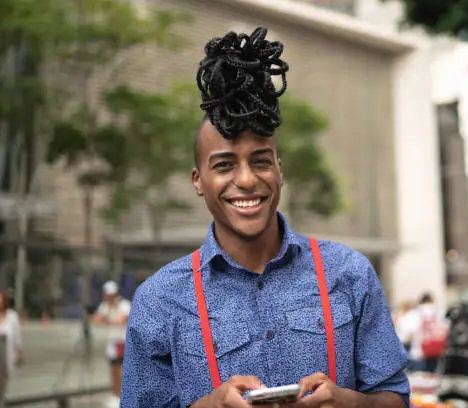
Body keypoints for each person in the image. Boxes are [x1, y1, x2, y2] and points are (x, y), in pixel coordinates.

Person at [120, 27, 410, 408]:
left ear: (279, 169)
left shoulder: (350, 273)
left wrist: (351, 402)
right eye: (223, 165)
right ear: (198, 181)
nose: (246, 179)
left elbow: (396, 398)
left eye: (261, 161)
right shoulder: (158, 300)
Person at [91, 281, 131, 408]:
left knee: (126, 371)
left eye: (111, 295)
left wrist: (106, 319)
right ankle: (116, 396)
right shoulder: (104, 306)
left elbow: (121, 321)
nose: (108, 297)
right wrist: (107, 318)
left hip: (125, 341)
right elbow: (95, 320)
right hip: (113, 342)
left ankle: (128, 397)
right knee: (114, 370)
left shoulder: (124, 305)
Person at [0, 291, 23, 408]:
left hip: (5, 352)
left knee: (2, 383)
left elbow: (17, 336)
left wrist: (19, 352)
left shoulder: (11, 316)